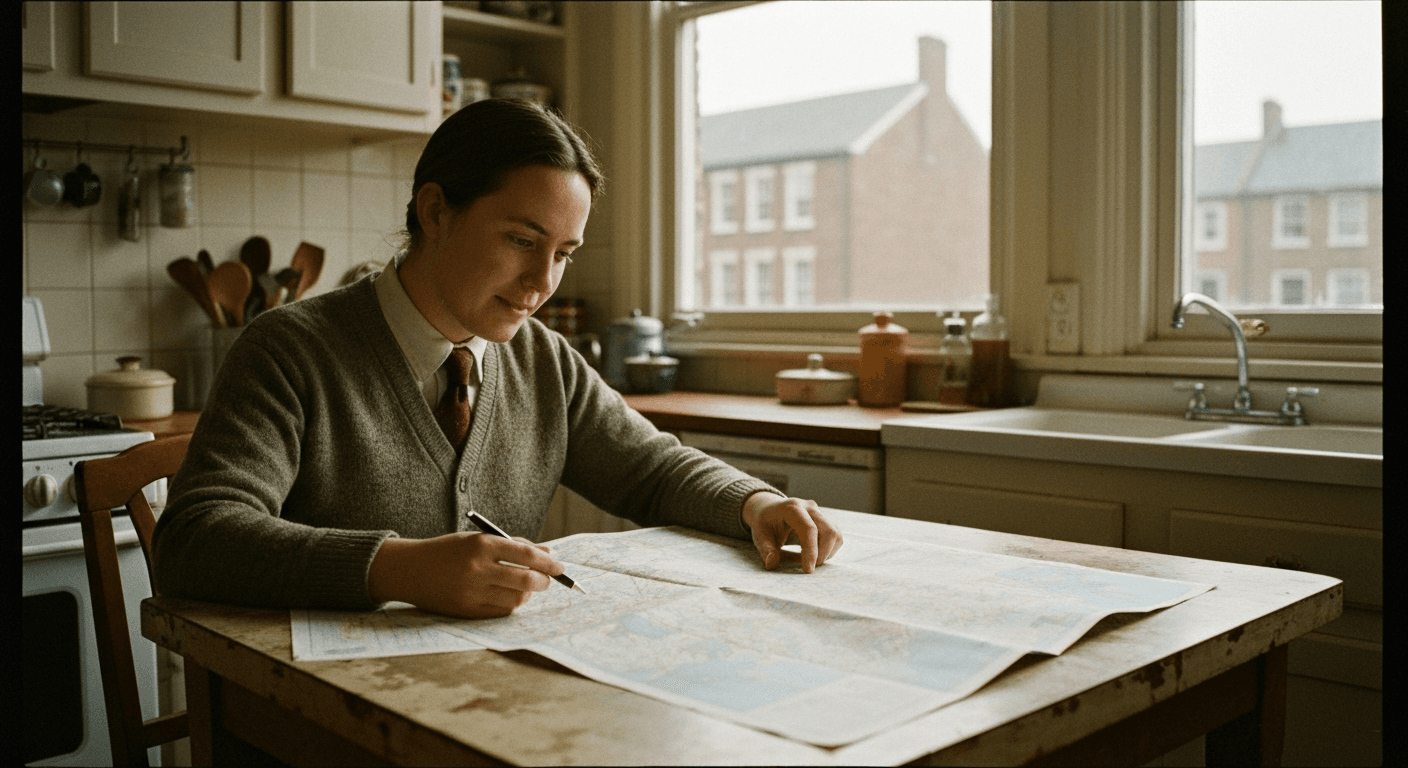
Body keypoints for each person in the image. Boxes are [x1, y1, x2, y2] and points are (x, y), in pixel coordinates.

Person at [152, 99, 843, 619]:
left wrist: (755, 502)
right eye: (520, 239)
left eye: (563, 254)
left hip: (472, 706)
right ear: (434, 210)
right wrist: (397, 570)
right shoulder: (290, 348)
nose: (543, 281)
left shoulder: (541, 358)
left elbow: (651, 468)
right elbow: (195, 540)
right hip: (304, 720)